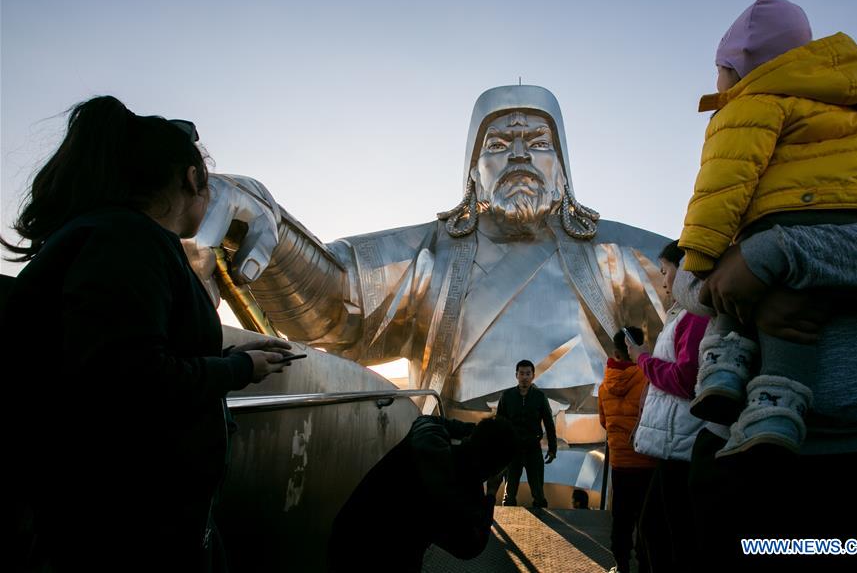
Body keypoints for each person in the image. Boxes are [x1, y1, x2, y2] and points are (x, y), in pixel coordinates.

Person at [192, 85, 670, 431]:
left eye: (539, 143)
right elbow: (338, 307)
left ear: (564, 168)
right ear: (473, 173)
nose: (519, 155)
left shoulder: (615, 253)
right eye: (498, 145)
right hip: (455, 443)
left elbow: (700, 290)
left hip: (596, 446)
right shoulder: (431, 254)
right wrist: (270, 224)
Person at [1, 96, 294, 571]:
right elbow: (129, 377)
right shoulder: (126, 241)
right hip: (127, 532)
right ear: (193, 179)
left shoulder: (108, 237)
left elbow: (131, 342)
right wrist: (240, 368)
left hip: (140, 520)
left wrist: (234, 350)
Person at [677, 0, 857, 458]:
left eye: (720, 68)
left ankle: (724, 370)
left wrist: (700, 255)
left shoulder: (750, 106)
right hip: (853, 218)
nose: (717, 80)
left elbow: (722, 187)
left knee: (737, 282)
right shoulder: (847, 111)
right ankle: (776, 409)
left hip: (783, 218)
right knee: (796, 321)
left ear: (740, 68)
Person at [686, 137, 857, 572]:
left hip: (855, 458)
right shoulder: (749, 173)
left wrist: (777, 255)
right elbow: (686, 275)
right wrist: (759, 296)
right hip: (729, 450)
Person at [327, 415, 517, 572]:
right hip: (393, 560)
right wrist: (491, 493)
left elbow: (427, 419)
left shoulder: (427, 438)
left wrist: (477, 430)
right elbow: (470, 546)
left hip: (347, 537)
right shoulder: (459, 498)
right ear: (495, 471)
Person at [628, 241, 709, 572]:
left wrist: (642, 360)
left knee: (668, 537)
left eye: (665, 272)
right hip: (674, 444)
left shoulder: (695, 315)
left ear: (686, 269)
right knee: (655, 532)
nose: (663, 282)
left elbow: (686, 379)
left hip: (684, 446)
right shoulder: (681, 315)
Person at [598, 326, 657, 573]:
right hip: (647, 460)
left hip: (620, 463)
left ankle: (621, 565)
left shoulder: (604, 386)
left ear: (615, 352)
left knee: (621, 518)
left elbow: (603, 421)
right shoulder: (648, 378)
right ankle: (645, 566)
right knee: (647, 519)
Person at [495, 359, 558, 508]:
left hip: (532, 449)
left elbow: (549, 424)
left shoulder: (539, 397)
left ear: (533, 376)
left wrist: (552, 448)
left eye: (528, 373)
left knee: (538, 493)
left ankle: (542, 524)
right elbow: (499, 425)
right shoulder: (507, 396)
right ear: (516, 375)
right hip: (512, 450)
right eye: (522, 373)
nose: (525, 377)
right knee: (509, 493)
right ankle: (508, 523)